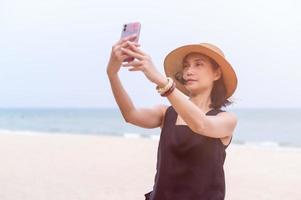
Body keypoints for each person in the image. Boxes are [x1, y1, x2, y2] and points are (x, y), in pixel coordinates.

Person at [106, 34, 238, 200]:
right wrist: (112, 73)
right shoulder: (166, 113)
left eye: (198, 65)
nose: (189, 71)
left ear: (216, 74)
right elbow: (131, 115)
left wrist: (163, 83)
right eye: (186, 66)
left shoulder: (226, 120)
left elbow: (201, 125)